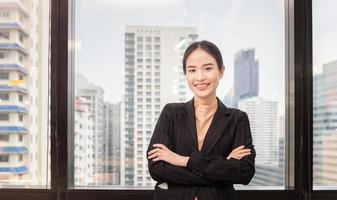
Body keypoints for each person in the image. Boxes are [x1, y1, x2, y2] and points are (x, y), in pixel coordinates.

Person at [147, 40, 255, 200]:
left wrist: (182, 160)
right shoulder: (171, 113)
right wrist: (222, 167)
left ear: (221, 71)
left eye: (208, 68)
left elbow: (244, 172)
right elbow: (157, 168)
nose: (200, 77)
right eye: (192, 70)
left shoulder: (237, 119)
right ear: (186, 75)